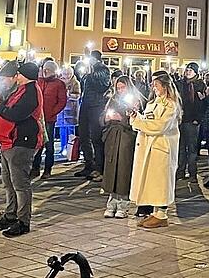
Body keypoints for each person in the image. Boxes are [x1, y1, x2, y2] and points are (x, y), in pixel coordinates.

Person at [0, 62, 44, 238]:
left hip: (21, 142)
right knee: (8, 182)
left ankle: (23, 221)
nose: (16, 76)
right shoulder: (20, 90)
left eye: (18, 74)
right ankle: (10, 214)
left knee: (20, 184)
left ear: (24, 75)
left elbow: (16, 114)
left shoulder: (31, 92)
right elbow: (8, 109)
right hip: (8, 142)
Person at [130, 71, 181, 228]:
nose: (153, 86)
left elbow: (159, 126)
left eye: (156, 84)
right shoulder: (153, 103)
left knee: (161, 181)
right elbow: (148, 120)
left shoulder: (170, 105)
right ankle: (155, 212)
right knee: (152, 181)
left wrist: (139, 123)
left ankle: (162, 214)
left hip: (162, 147)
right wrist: (136, 116)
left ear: (165, 86)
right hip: (148, 147)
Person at [102, 76, 141, 219]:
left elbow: (137, 121)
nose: (120, 90)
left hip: (126, 138)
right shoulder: (112, 99)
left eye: (122, 87)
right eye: (118, 88)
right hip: (112, 137)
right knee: (111, 170)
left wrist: (122, 119)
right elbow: (102, 116)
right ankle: (111, 203)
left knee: (123, 170)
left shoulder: (135, 100)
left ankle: (123, 205)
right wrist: (107, 118)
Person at [76, 51, 111, 181]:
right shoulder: (88, 70)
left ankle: (99, 167)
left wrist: (92, 73)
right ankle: (88, 164)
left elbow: (103, 86)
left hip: (96, 106)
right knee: (83, 135)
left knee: (96, 137)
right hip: (85, 105)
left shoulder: (103, 70)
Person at [33, 60, 67, 179]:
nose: (45, 72)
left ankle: (48, 169)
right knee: (37, 143)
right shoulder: (39, 81)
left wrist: (52, 112)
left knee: (49, 144)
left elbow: (62, 101)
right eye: (44, 70)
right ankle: (35, 168)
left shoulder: (59, 84)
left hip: (49, 119)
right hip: (38, 117)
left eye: (48, 70)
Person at [175, 62, 206, 183]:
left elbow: (202, 103)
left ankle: (193, 173)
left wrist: (198, 118)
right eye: (187, 70)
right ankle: (180, 171)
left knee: (192, 148)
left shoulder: (199, 84)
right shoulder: (180, 84)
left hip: (192, 120)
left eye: (190, 70)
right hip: (181, 119)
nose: (188, 72)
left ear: (195, 72)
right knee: (181, 147)